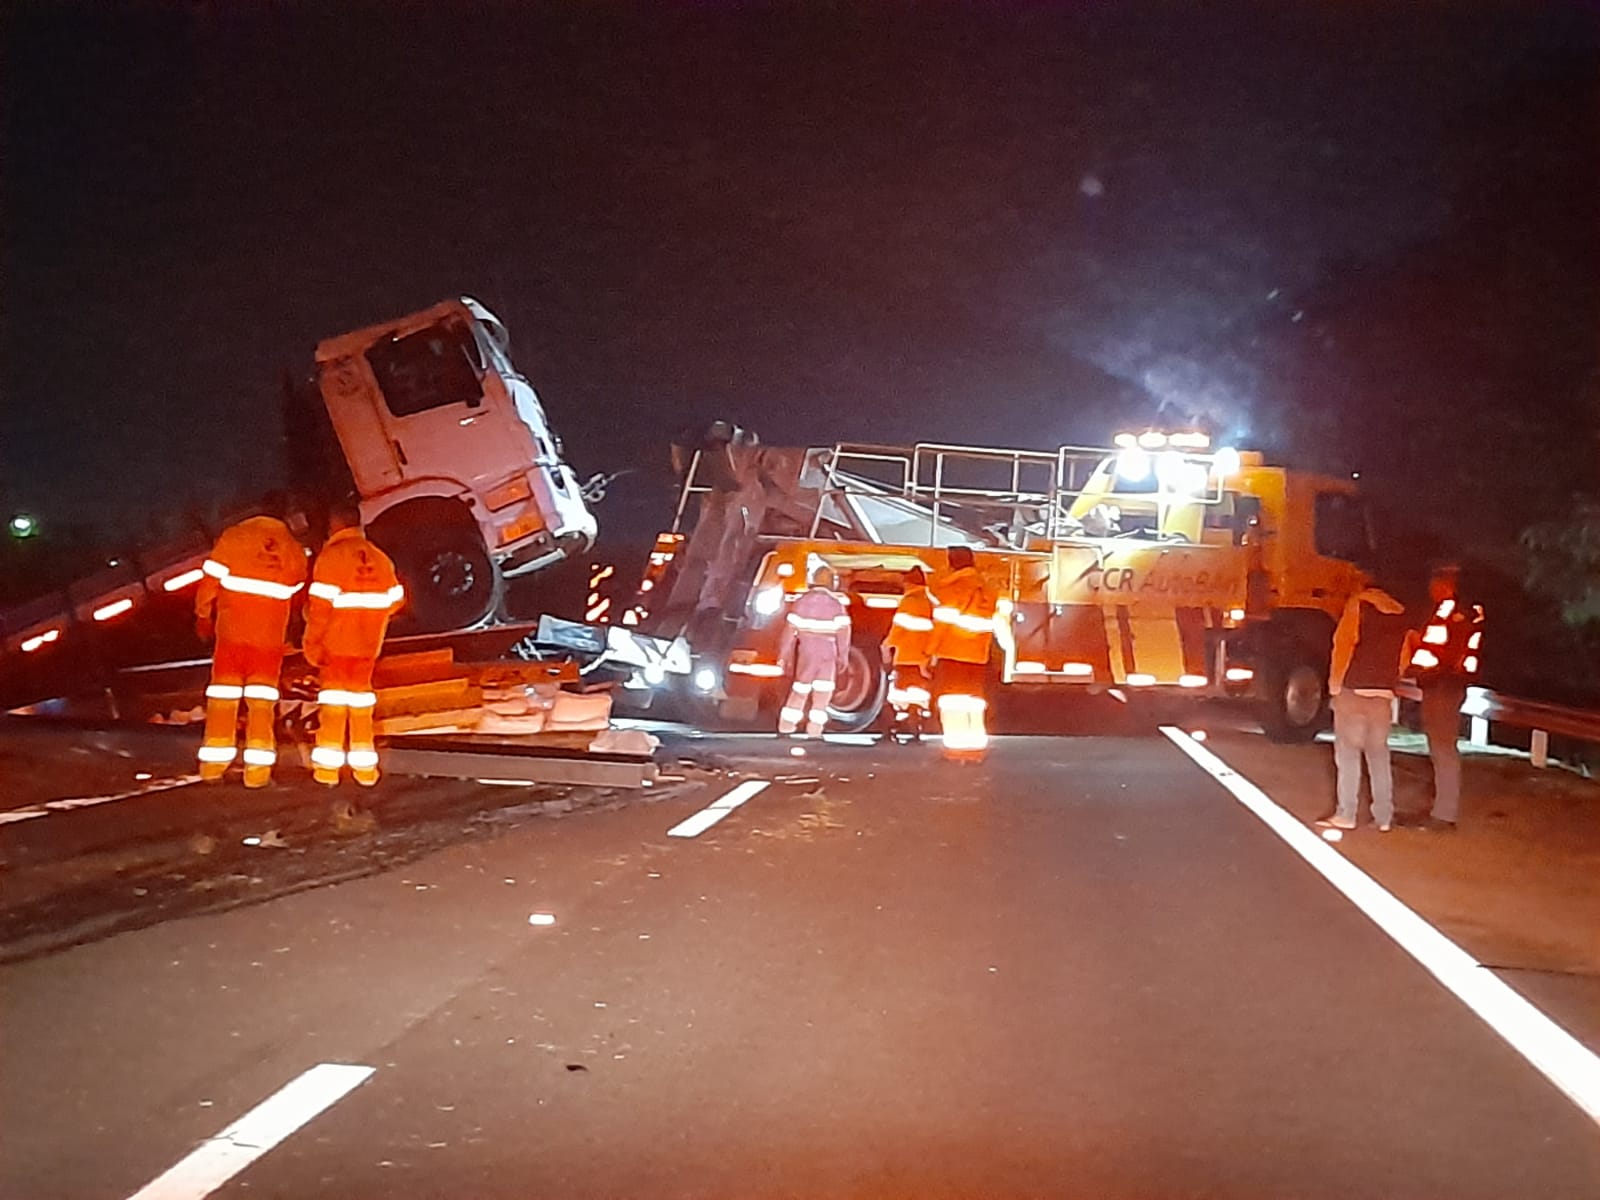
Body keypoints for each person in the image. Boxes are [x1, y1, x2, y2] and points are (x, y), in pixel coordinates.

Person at [194, 512, 308, 787]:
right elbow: (297, 587)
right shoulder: (291, 547)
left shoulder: (235, 537)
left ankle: (213, 768)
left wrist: (203, 614)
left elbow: (210, 580)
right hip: (268, 639)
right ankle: (258, 773)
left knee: (223, 700)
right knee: (262, 704)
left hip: (232, 634)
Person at [303, 502, 404, 786]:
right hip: (368, 647)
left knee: (334, 707)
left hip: (336, 647)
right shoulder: (379, 558)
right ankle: (365, 772)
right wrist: (370, 617)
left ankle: (327, 771)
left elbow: (319, 611)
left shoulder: (331, 557)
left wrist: (312, 644)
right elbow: (396, 601)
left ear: (334, 525)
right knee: (361, 707)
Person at [1319, 580, 1411, 832]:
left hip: (1353, 690)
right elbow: (1404, 655)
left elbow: (1343, 644)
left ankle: (1346, 814)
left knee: (1348, 754)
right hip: (1383, 695)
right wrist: (1390, 680)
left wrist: (1335, 685)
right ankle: (1383, 817)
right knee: (1378, 755)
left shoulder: (1358, 605)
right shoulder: (1400, 614)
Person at [1402, 562, 1484, 831]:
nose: (1430, 589)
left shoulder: (1447, 611)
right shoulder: (1469, 612)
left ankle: (1444, 814)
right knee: (1441, 748)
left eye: (1434, 583)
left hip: (1441, 686)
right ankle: (1441, 809)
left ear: (1444, 585)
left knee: (1443, 749)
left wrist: (1415, 656)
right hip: (1450, 684)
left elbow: (1436, 651)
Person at [928, 545, 1000, 762]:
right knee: (974, 703)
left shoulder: (953, 589)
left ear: (951, 563)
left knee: (952, 703)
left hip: (953, 652)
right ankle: (975, 749)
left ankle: (955, 749)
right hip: (978, 654)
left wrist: (929, 652)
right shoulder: (986, 588)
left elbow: (942, 625)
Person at [774, 565, 851, 738]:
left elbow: (789, 632)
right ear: (832, 583)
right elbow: (844, 633)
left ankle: (786, 726)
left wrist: (784, 655)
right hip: (828, 653)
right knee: (823, 693)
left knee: (800, 689)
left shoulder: (802, 602)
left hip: (807, 652)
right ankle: (815, 730)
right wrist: (843, 656)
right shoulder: (836, 605)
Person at [883, 565, 936, 743]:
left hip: (906, 656)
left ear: (908, 583)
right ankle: (916, 726)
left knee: (900, 695)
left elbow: (898, 629)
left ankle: (897, 727)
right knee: (918, 694)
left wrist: (886, 646)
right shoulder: (930, 602)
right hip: (923, 658)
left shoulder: (909, 601)